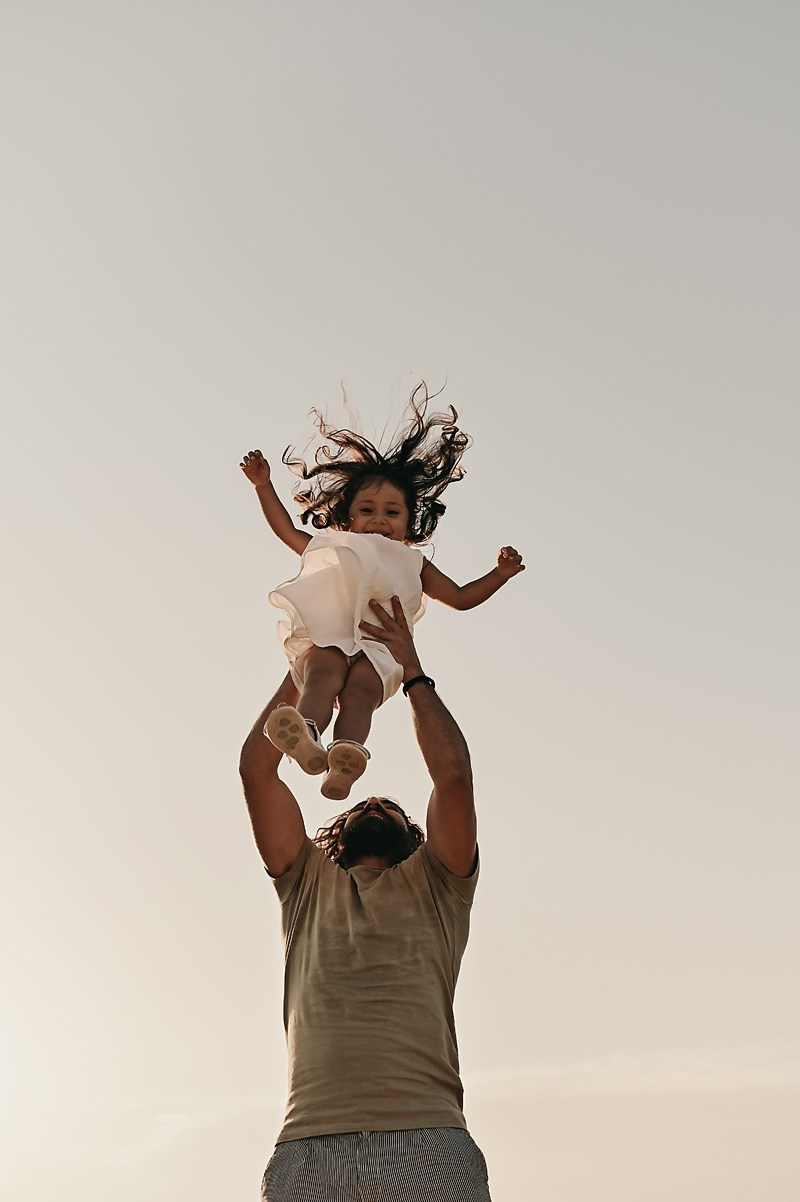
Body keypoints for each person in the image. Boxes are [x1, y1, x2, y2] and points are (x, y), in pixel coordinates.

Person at [238, 594, 493, 1201]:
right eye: (363, 802)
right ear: (334, 835)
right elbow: (257, 771)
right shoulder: (305, 882)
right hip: (307, 1146)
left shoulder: (440, 883)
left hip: (425, 1139)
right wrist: (307, 658)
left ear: (416, 836)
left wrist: (412, 671)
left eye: (390, 806)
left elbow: (452, 775)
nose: (375, 802)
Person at [240, 383, 524, 801]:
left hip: (380, 647)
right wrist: (264, 486)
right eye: (367, 511)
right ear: (348, 518)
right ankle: (305, 736)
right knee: (321, 678)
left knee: (361, 696)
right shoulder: (338, 545)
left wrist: (499, 575)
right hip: (330, 635)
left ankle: (345, 757)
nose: (378, 521)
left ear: (410, 523)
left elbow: (461, 598)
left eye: (392, 513)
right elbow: (288, 531)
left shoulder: (413, 562)